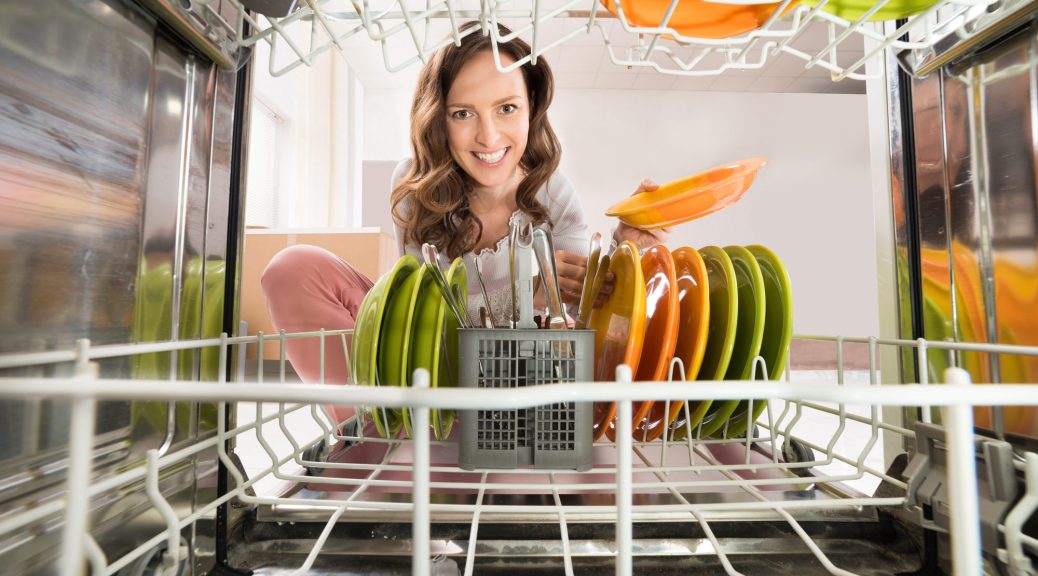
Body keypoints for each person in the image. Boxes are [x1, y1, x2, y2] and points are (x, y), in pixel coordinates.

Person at [261, 21, 668, 426]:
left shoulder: (553, 191)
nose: (488, 137)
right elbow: (425, 322)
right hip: (435, 368)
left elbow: (584, 308)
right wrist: (526, 296)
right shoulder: (413, 189)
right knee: (292, 269)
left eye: (506, 108)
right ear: (439, 119)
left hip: (521, 375)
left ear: (532, 107)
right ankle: (370, 428)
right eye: (463, 113)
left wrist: (624, 250)